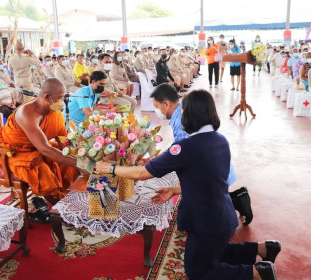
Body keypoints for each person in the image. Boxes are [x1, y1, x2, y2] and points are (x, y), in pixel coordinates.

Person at [96, 89, 280, 280]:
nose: (181, 114)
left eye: (183, 111)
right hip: (224, 216)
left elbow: (142, 173)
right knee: (213, 252)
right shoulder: (220, 140)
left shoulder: (185, 147)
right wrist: (175, 190)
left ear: (190, 114)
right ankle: (264, 249)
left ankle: (258, 273)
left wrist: (109, 169)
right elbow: (206, 179)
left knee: (198, 271)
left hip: (207, 221)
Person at [150, 83, 253, 226]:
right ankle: (240, 198)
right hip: (216, 162)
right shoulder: (181, 113)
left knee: (205, 203)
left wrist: (160, 163)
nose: (156, 110)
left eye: (156, 106)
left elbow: (182, 151)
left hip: (211, 169)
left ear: (165, 104)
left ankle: (239, 200)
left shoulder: (180, 120)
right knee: (213, 198)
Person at [0, 78, 86, 222]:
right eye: (59, 98)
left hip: (38, 146)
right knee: (43, 172)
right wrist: (80, 164)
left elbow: (63, 141)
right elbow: (45, 149)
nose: (62, 102)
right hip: (15, 151)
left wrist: (77, 159)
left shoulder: (53, 112)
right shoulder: (27, 113)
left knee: (67, 163)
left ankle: (65, 199)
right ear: (47, 97)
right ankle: (61, 210)